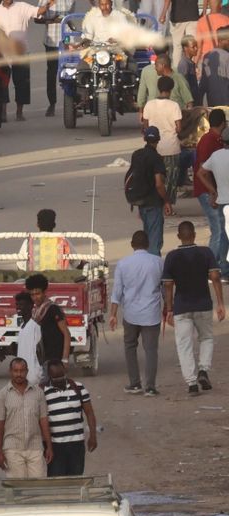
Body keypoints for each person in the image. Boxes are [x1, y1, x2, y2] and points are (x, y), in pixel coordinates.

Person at [163, 220, 225, 396]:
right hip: (203, 304)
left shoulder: (172, 257)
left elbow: (168, 285)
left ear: (178, 237)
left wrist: (169, 309)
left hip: (182, 306)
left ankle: (191, 383)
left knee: (184, 345)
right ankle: (203, 370)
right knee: (206, 338)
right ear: (195, 235)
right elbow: (214, 276)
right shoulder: (206, 252)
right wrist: (220, 303)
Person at [110, 231, 165, 396]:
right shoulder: (158, 262)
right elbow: (164, 287)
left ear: (132, 244)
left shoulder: (123, 263)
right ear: (148, 244)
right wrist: (169, 307)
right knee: (151, 350)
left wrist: (113, 314)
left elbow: (117, 291)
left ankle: (135, 383)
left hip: (131, 314)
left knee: (130, 347)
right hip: (151, 313)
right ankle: (150, 387)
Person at [0, 358, 53, 477]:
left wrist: (49, 447)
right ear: (10, 371)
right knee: (17, 489)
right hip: (12, 448)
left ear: (27, 371)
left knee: (38, 487)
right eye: (15, 371)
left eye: (22, 370)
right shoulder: (2, 396)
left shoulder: (38, 393)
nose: (19, 374)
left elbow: (44, 421)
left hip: (35, 447)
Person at [44, 360, 98, 476]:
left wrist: (93, 436)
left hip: (76, 444)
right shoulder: (43, 392)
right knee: (56, 480)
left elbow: (89, 413)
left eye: (61, 376)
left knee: (76, 479)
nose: (60, 380)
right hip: (56, 446)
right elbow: (42, 421)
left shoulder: (78, 388)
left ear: (65, 372)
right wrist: (47, 446)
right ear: (49, 376)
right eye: (56, 378)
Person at [128, 127, 174, 256]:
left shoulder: (137, 155)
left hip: (141, 202)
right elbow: (159, 183)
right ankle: (153, 270)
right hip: (153, 203)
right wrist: (166, 201)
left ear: (144, 138)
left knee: (146, 241)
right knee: (154, 242)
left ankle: (145, 267)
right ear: (158, 140)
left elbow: (137, 178)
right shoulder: (156, 158)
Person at [0, 0, 40, 121]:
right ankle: (3, 112)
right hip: (3, 53)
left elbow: (38, 12)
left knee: (22, 83)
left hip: (21, 52)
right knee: (3, 83)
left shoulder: (22, 7)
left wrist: (49, 3)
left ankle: (19, 112)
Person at [196, 109, 229, 278]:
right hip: (208, 191)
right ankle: (212, 267)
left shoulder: (215, 140)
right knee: (218, 230)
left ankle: (216, 265)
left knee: (220, 230)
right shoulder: (208, 141)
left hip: (215, 191)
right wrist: (212, 192)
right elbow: (203, 171)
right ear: (223, 123)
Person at [143, 76, 186, 204]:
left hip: (154, 148)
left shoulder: (149, 104)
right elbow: (178, 128)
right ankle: (169, 205)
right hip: (171, 147)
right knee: (171, 179)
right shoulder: (174, 106)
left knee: (154, 178)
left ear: (158, 88)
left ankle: (156, 202)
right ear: (171, 89)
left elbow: (146, 126)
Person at [35, 0, 77, 116]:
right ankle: (52, 104)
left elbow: (70, 15)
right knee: (52, 73)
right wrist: (51, 20)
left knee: (71, 72)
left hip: (67, 40)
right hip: (51, 40)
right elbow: (36, 18)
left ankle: (73, 104)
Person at [24, 273, 71, 373]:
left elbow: (66, 333)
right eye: (32, 295)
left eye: (38, 294)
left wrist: (65, 359)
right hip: (41, 358)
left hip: (54, 358)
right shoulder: (35, 311)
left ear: (44, 292)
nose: (35, 297)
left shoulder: (53, 309)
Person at [14, 291, 43, 386]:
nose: (18, 308)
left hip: (34, 378)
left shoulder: (35, 326)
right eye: (17, 305)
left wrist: (37, 374)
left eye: (21, 305)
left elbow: (40, 351)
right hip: (23, 379)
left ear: (31, 305)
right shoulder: (23, 326)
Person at [199, 27, 229, 106]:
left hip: (212, 104)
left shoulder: (207, 56)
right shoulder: (227, 57)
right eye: (228, 40)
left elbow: (203, 84)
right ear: (220, 40)